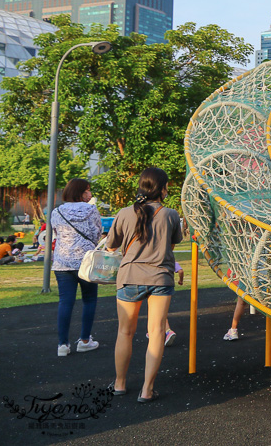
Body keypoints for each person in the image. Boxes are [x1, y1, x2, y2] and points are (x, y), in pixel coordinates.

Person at [106, 168, 182, 402]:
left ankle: (119, 384)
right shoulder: (170, 214)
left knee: (125, 332)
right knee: (157, 332)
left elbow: (111, 246)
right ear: (163, 188)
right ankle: (147, 390)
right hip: (160, 278)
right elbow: (173, 243)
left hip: (129, 277)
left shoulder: (124, 213)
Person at [51, 179, 103, 356]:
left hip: (62, 263)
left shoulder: (57, 211)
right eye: (87, 191)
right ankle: (85, 340)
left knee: (65, 302)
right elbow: (97, 233)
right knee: (89, 300)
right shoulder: (91, 210)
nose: (90, 194)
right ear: (80, 193)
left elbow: (56, 233)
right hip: (86, 262)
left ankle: (62, 345)